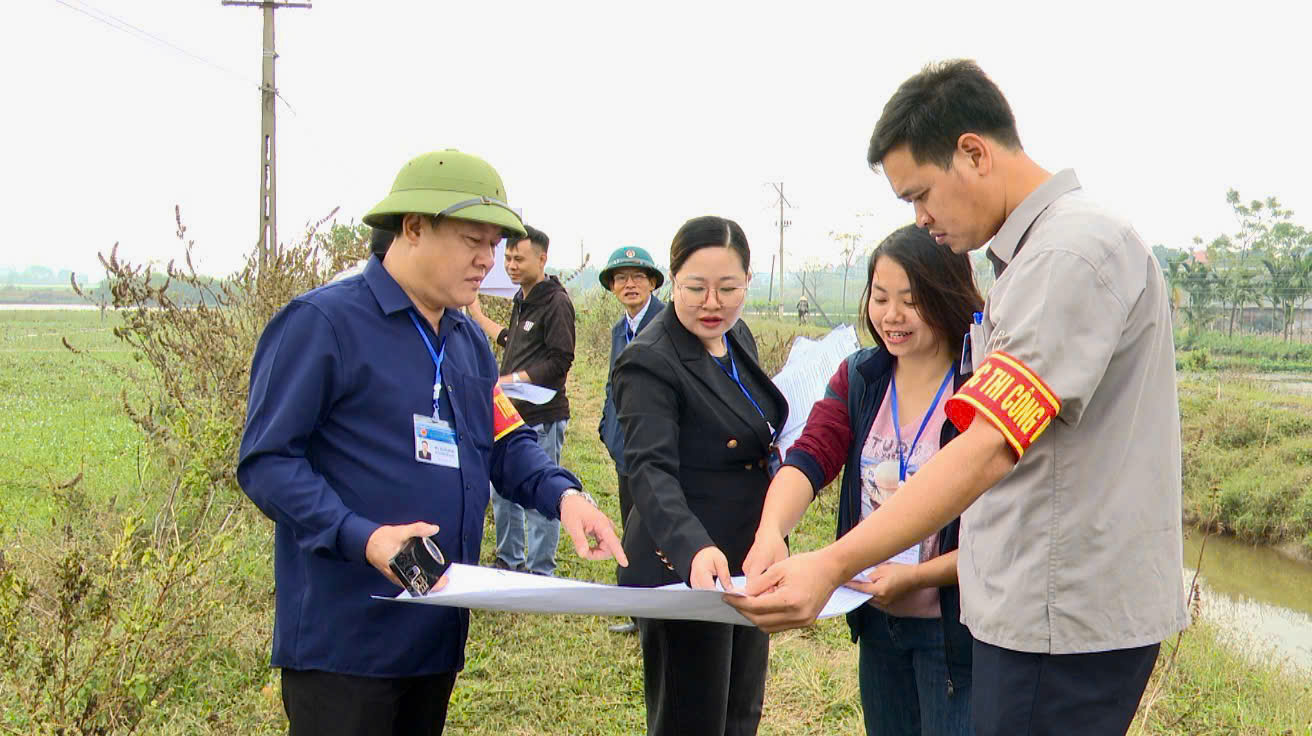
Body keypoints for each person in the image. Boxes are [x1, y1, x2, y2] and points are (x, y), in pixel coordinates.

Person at [727, 59, 1188, 736]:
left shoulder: (1070, 254)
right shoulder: (1033, 258)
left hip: (1060, 621)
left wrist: (830, 562)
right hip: (1032, 609)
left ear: (972, 152)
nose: (922, 219)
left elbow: (989, 448)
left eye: (921, 193)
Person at [237, 149, 626, 736]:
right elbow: (267, 462)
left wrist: (563, 495)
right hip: (347, 640)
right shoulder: (324, 323)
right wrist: (364, 538)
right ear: (413, 227)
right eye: (473, 240)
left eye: (495, 245)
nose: (488, 260)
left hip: (436, 630)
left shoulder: (466, 339)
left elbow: (502, 440)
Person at [742, 225, 982, 735]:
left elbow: (1005, 531)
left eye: (911, 300)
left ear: (947, 296)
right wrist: (771, 532)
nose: (891, 316)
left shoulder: (977, 386)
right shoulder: (861, 378)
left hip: (956, 632)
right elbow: (811, 455)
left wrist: (915, 577)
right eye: (880, 297)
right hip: (876, 620)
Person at [612, 215, 786, 736]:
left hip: (747, 560)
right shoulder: (649, 360)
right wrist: (690, 548)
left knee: (739, 709)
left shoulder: (738, 338)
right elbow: (649, 470)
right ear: (673, 281)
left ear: (748, 283)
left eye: (729, 288)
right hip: (683, 565)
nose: (713, 303)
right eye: (696, 288)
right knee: (692, 715)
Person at [468, 226, 576, 576]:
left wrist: (511, 380)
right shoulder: (521, 298)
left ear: (542, 259)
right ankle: (508, 560)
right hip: (511, 413)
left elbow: (560, 360)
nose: (512, 265)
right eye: (508, 258)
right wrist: (478, 314)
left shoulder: (556, 302)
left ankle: (540, 569)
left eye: (519, 258)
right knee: (503, 490)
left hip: (542, 414)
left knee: (541, 492)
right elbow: (512, 341)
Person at [596, 245, 666, 635]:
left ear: (653, 282)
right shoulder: (617, 330)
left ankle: (658, 615)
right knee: (630, 528)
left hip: (656, 450)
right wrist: (607, 429)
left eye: (638, 276)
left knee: (656, 528)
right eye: (621, 278)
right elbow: (612, 384)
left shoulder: (668, 322)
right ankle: (638, 614)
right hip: (626, 451)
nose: (629, 284)